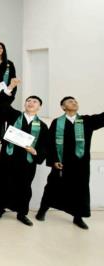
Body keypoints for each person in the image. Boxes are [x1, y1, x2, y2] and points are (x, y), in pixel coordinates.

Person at [35, 96, 104, 230]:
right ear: (63, 107)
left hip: (80, 165)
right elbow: (50, 143)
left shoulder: (86, 120)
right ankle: (42, 210)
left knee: (80, 190)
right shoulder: (57, 122)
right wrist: (54, 160)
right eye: (70, 101)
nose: (74, 102)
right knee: (52, 188)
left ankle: (78, 217)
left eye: (75, 101)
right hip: (61, 163)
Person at [0, 79, 48, 226]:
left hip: (27, 160)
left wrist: (35, 151)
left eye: (34, 102)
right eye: (28, 100)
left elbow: (45, 146)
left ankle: (22, 213)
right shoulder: (14, 116)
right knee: (4, 183)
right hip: (9, 157)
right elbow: (2, 104)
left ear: (39, 107)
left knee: (24, 187)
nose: (31, 103)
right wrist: (11, 87)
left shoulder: (43, 126)